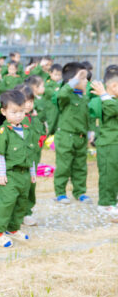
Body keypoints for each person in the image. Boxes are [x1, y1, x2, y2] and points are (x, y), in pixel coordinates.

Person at [0, 90, 36, 248]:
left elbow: (30, 153)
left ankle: (13, 228)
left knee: (21, 203)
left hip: (24, 174)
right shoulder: (4, 132)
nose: (18, 115)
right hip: (10, 174)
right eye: (14, 112)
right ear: (4, 112)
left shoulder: (27, 130)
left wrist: (32, 172)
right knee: (6, 203)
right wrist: (0, 174)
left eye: (21, 111)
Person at [54, 62, 93, 204]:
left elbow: (88, 117)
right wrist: (76, 79)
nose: (86, 81)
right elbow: (62, 93)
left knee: (80, 166)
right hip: (66, 137)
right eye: (83, 78)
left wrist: (90, 132)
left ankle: (80, 192)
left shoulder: (84, 97)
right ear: (72, 81)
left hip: (80, 138)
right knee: (64, 166)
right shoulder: (66, 97)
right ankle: (60, 193)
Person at [15, 84, 45, 227]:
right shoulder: (16, 120)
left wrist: (41, 140)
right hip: (18, 161)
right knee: (17, 188)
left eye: (31, 101)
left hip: (32, 160)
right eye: (25, 101)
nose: (28, 105)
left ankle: (27, 212)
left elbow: (41, 133)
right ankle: (15, 213)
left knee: (30, 187)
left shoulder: (35, 119)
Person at [89, 69, 118, 217]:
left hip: (114, 143)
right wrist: (103, 94)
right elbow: (112, 109)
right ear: (114, 85)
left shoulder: (109, 99)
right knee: (108, 174)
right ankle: (105, 204)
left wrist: (104, 95)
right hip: (108, 144)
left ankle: (113, 200)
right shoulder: (100, 100)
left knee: (115, 174)